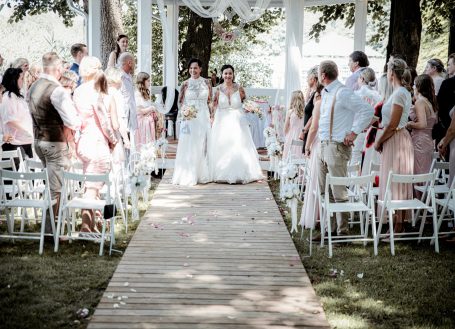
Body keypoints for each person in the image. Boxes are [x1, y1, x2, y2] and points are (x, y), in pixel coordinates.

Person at [316, 60, 373, 237]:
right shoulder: (326, 93)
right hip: (323, 145)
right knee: (325, 189)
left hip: (337, 147)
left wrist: (354, 132)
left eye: (318, 73)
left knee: (339, 190)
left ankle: (343, 232)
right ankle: (329, 229)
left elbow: (367, 110)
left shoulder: (343, 93)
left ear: (323, 75)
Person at [28, 52, 81, 233]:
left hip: (38, 141)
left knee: (50, 185)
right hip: (54, 143)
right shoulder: (57, 90)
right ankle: (52, 230)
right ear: (58, 69)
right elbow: (72, 121)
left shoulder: (33, 87)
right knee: (56, 188)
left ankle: (50, 225)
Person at [73, 56, 117, 233]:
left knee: (90, 184)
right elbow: (104, 121)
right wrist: (113, 140)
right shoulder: (94, 92)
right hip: (97, 142)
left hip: (84, 140)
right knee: (92, 188)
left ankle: (92, 225)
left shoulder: (78, 91)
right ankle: (85, 227)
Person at [374, 58, 414, 234]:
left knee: (397, 179)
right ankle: (398, 223)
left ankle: (398, 226)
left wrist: (378, 140)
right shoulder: (399, 92)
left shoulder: (399, 94)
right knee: (396, 179)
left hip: (396, 138)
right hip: (396, 137)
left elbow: (393, 124)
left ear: (391, 72)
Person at [209, 64, 264, 184]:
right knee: (222, 145)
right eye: (225, 73)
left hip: (237, 120)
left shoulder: (239, 88)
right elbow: (214, 105)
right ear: (222, 75)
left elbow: (245, 101)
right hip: (221, 120)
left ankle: (241, 172)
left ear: (233, 75)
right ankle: (221, 172)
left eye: (230, 73)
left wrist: (250, 108)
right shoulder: (218, 89)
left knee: (238, 145)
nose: (228, 75)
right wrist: (212, 118)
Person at [172, 58, 212, 186]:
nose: (193, 70)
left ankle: (201, 173)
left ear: (200, 69)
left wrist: (212, 116)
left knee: (202, 143)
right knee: (189, 144)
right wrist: (183, 113)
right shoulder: (185, 84)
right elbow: (181, 102)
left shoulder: (207, 82)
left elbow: (210, 101)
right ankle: (188, 173)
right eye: (191, 68)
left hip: (203, 116)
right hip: (189, 118)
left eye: (195, 68)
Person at [300, 83, 324, 230]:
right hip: (324, 143)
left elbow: (314, 128)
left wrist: (307, 146)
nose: (314, 98)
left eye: (316, 96)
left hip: (317, 144)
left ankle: (315, 216)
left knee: (315, 179)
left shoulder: (320, 105)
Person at [406, 74, 437, 176]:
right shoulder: (430, 102)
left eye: (415, 84)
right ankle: (425, 192)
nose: (413, 87)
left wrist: (410, 124)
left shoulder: (420, 102)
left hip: (419, 142)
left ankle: (418, 192)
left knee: (418, 173)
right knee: (424, 172)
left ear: (419, 86)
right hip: (428, 141)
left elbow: (422, 124)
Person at [0, 68, 34, 161]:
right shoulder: (8, 97)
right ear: (14, 80)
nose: (23, 81)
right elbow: (10, 120)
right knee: (15, 174)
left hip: (24, 140)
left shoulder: (17, 96)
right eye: (21, 78)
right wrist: (27, 130)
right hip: (14, 143)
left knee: (30, 172)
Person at [352, 67, 382, 168]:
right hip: (372, 132)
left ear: (362, 79)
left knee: (355, 160)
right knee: (368, 162)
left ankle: (354, 183)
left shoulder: (357, 94)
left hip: (359, 131)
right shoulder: (378, 96)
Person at [118, 52, 138, 153]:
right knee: (125, 145)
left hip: (131, 116)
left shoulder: (129, 76)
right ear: (129, 63)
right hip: (124, 117)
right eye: (134, 62)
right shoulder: (119, 78)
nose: (135, 65)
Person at [135, 72, 159, 149]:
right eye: (148, 81)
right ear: (142, 81)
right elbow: (139, 111)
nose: (150, 82)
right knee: (144, 143)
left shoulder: (145, 93)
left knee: (150, 144)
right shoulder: (137, 94)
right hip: (142, 123)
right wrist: (151, 108)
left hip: (148, 121)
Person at [436, 54, 455, 147]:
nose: (447, 67)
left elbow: (439, 105)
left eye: (449, 64)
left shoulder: (447, 83)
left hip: (447, 127)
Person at [300, 66, 319, 149]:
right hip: (308, 129)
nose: (306, 80)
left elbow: (314, 115)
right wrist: (310, 86)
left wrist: (304, 131)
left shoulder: (317, 95)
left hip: (311, 130)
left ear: (313, 79)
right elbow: (306, 100)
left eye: (308, 77)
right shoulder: (313, 93)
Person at [283, 90, 305, 160]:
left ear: (292, 99)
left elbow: (285, 129)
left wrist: (286, 136)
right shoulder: (306, 112)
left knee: (289, 158)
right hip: (303, 136)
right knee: (301, 157)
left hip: (291, 136)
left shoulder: (290, 112)